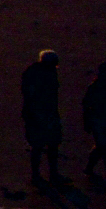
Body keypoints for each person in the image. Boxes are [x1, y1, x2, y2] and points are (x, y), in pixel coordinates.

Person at [21, 49, 64, 184]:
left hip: (48, 113)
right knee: (39, 145)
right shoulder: (37, 75)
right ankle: (37, 175)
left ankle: (51, 174)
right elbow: (31, 96)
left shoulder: (44, 72)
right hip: (37, 114)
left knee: (51, 144)